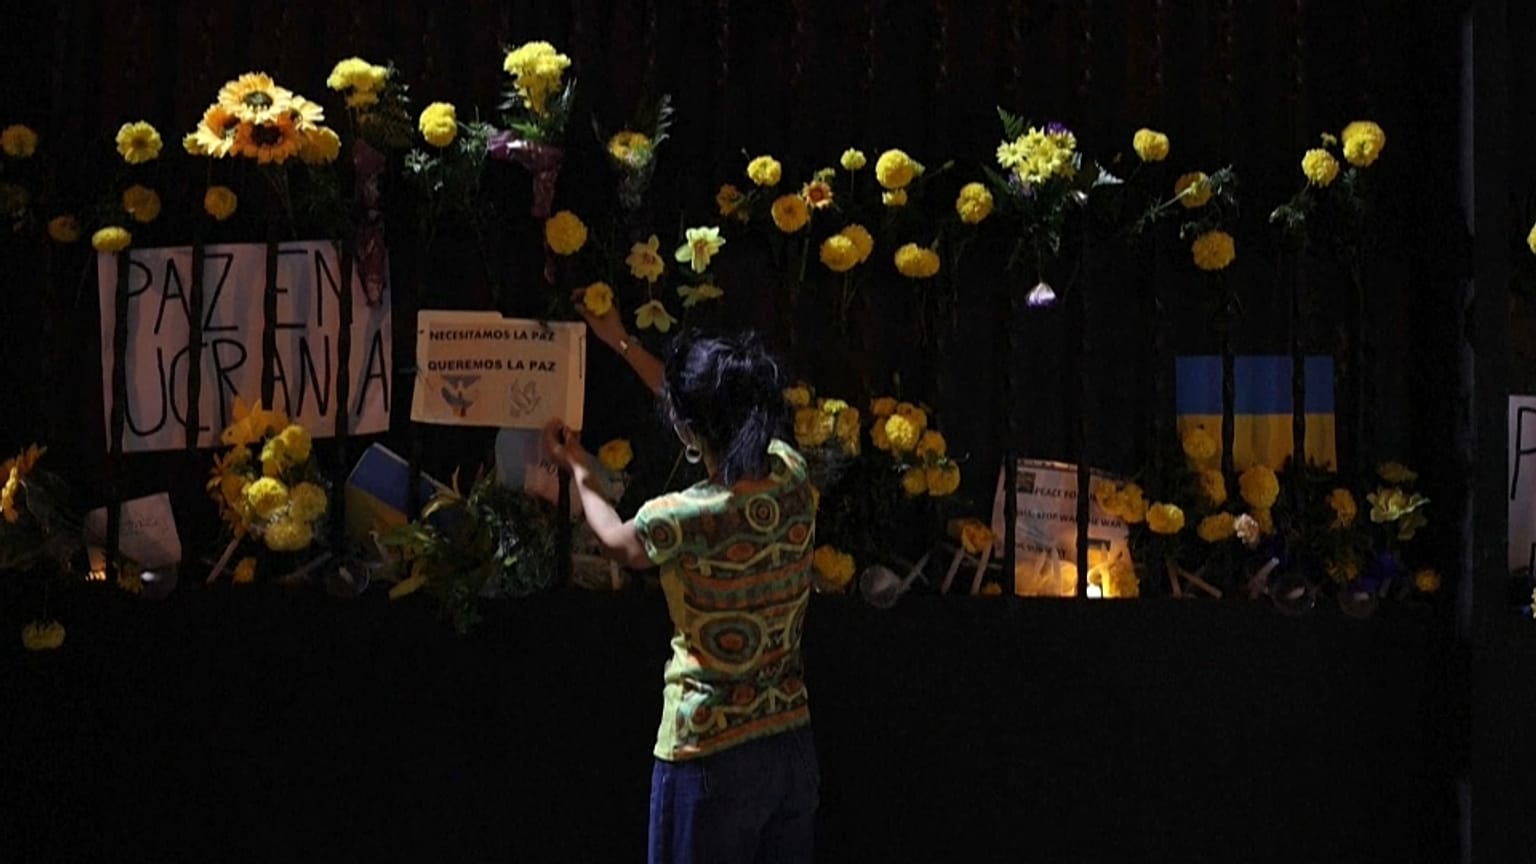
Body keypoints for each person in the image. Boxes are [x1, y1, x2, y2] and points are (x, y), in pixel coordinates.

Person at [539, 292, 820, 864]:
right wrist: (620, 339)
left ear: (691, 432)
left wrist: (581, 472)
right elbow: (700, 409)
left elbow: (617, 543)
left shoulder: (684, 516)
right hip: (790, 745)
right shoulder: (791, 472)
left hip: (709, 751)